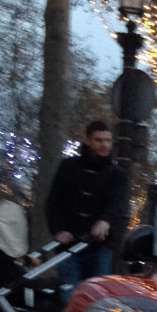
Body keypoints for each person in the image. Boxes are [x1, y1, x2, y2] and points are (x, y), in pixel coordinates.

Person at [45, 120, 130, 293]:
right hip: (68, 245)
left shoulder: (118, 175)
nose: (104, 145)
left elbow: (119, 204)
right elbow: (53, 202)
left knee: (95, 298)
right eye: (99, 140)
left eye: (108, 140)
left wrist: (105, 220)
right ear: (87, 140)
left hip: (99, 247)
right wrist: (58, 230)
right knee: (68, 297)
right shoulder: (68, 167)